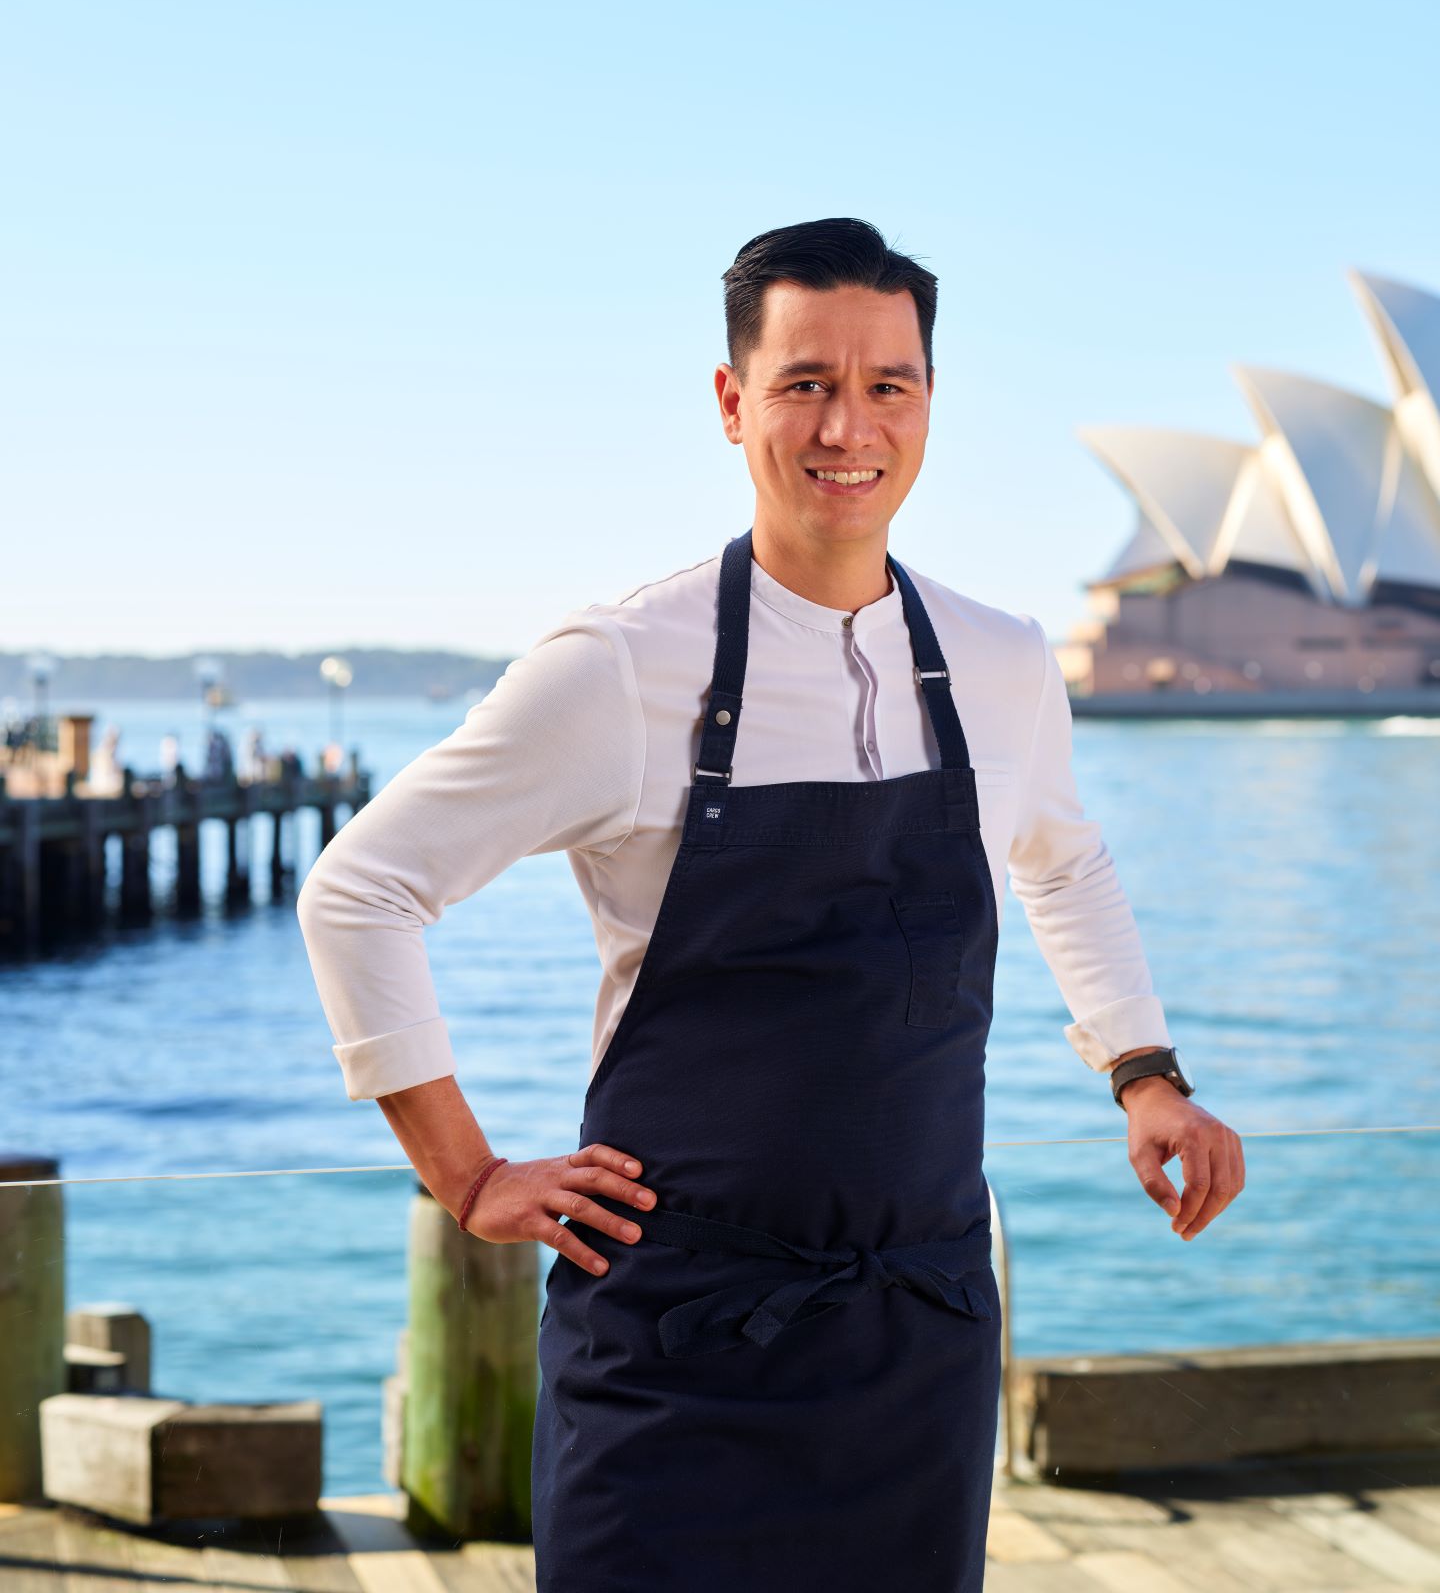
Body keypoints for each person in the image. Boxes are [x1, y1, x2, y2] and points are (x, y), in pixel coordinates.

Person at [297, 217, 1245, 1591]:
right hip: (674, 1344)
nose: (847, 426)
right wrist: (469, 1175)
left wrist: (1145, 1075)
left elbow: (1061, 859)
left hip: (920, 1329)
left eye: (886, 385)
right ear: (734, 401)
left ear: (930, 403)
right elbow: (361, 892)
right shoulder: (622, 665)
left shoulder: (1001, 659)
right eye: (806, 383)